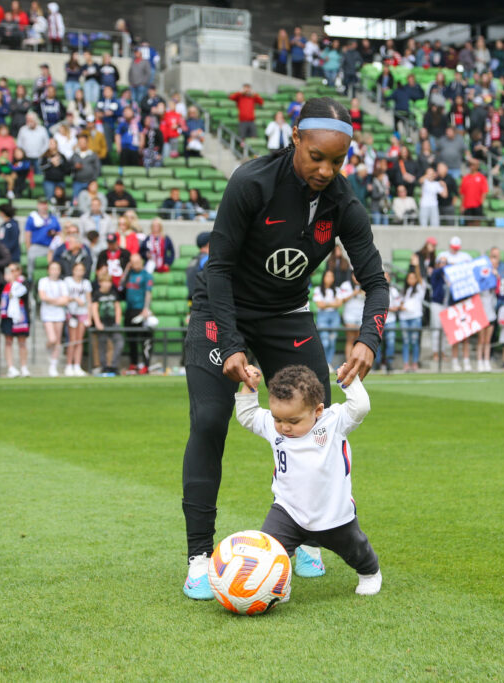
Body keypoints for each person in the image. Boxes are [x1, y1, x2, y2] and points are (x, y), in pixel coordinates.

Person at [179, 98, 387, 600]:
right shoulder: (251, 183)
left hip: (286, 314)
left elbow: (376, 282)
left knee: (319, 419)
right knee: (210, 420)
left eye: (337, 161)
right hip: (221, 309)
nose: (325, 170)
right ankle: (199, 557)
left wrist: (369, 340)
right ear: (295, 137)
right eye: (316, 156)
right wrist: (231, 344)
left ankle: (310, 532)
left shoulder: (344, 203)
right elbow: (220, 270)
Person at [234, 364, 381, 596]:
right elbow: (248, 416)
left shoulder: (333, 423)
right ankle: (275, 588)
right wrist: (248, 389)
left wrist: (349, 382)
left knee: (356, 550)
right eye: (278, 419)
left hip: (333, 514)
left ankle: (370, 573)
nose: (284, 427)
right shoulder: (275, 428)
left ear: (318, 410)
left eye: (293, 421)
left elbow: (360, 407)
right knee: (268, 553)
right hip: (287, 510)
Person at [120, 252, 153, 375]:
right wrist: (127, 269)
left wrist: (146, 309)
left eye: (137, 262)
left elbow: (148, 293)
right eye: (133, 263)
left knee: (144, 339)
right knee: (131, 339)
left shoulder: (146, 275)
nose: (136, 264)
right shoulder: (129, 274)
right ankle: (133, 364)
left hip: (140, 310)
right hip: (130, 310)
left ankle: (146, 365)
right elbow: (120, 285)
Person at [397, 262, 425, 372]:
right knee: (406, 341)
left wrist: (417, 266)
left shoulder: (419, 289)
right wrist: (401, 306)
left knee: (414, 341)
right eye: (410, 278)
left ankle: (414, 362)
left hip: (415, 317)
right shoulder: (404, 291)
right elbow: (399, 302)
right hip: (404, 318)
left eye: (414, 278)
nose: (412, 280)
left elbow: (421, 280)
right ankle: (405, 364)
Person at [313, 270, 341, 367]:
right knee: (324, 341)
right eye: (327, 276)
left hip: (334, 317)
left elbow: (339, 304)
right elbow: (319, 305)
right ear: (323, 277)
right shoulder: (317, 289)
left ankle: (329, 364)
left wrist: (326, 304)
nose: (329, 278)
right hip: (322, 317)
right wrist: (332, 304)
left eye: (331, 276)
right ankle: (323, 363)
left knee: (332, 341)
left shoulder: (337, 289)